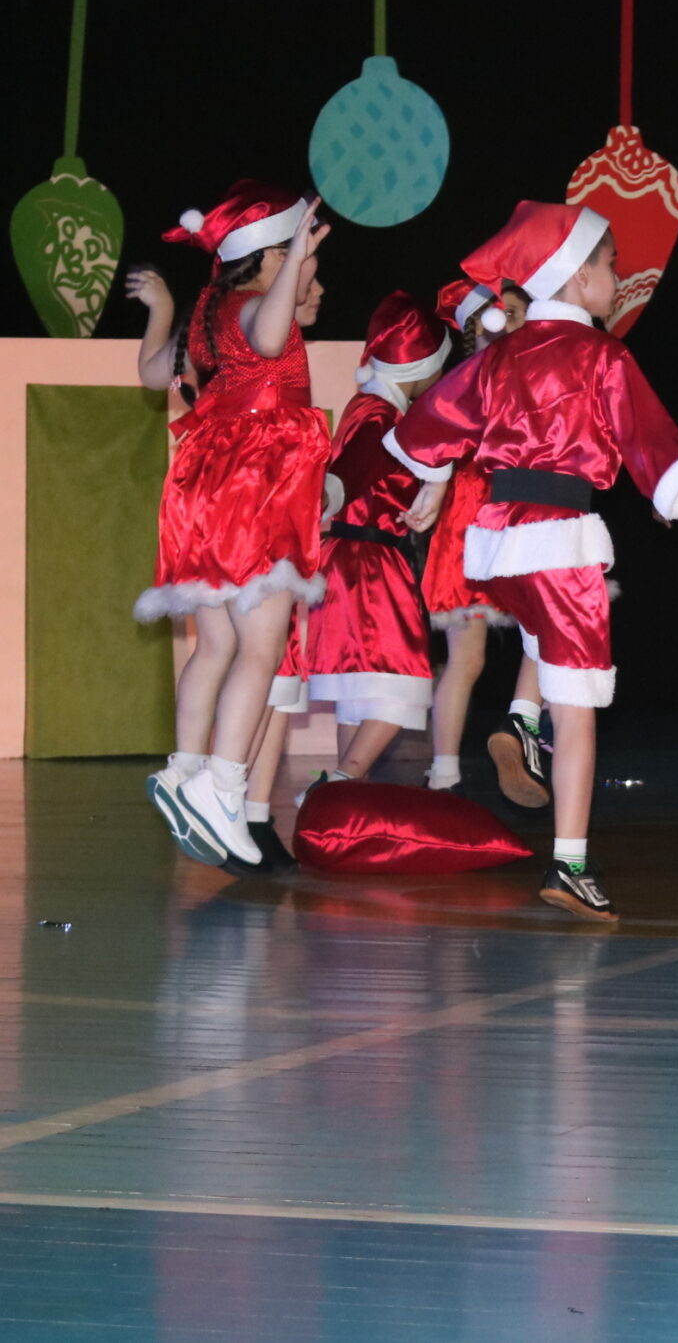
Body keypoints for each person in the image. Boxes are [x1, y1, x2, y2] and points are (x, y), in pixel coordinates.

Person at [394, 199, 678, 920]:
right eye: (611, 265)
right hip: (561, 539)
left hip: (497, 543)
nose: (619, 279)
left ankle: (521, 723)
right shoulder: (602, 356)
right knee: (582, 708)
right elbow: (651, 444)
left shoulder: (500, 353)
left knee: (542, 642)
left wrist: (434, 486)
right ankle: (568, 864)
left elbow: (431, 423)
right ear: (576, 277)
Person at [135, 184, 332, 869]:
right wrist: (296, 257)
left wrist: (162, 309)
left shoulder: (206, 315)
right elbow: (273, 334)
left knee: (215, 642)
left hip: (205, 484)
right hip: (257, 483)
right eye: (298, 256)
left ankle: (183, 770)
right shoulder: (252, 307)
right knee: (261, 645)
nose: (309, 270)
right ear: (270, 256)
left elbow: (152, 374)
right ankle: (222, 787)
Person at [303, 292, 450, 786]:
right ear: (420, 368)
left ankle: (344, 802)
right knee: (400, 683)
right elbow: (355, 467)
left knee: (358, 689)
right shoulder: (382, 418)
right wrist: (327, 494)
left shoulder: (366, 406)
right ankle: (341, 784)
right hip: (370, 562)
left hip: (346, 558)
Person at [422, 278, 521, 796]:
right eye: (501, 312)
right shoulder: (466, 377)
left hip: (518, 513)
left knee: (546, 637)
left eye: (515, 312)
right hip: (471, 517)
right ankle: (444, 772)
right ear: (474, 325)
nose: (508, 321)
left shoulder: (522, 372)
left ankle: (529, 741)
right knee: (468, 655)